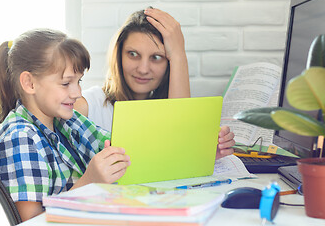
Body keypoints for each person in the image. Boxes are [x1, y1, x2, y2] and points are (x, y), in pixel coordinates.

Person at [0, 29, 131, 221]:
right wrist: (90, 182)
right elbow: (31, 221)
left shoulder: (67, 120)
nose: (77, 93)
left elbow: (116, 144)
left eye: (78, 81)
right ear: (29, 83)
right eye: (66, 84)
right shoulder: (20, 138)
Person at [74, 8, 235, 159]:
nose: (143, 69)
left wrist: (203, 154)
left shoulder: (170, 110)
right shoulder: (88, 106)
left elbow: (179, 155)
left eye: (156, 57)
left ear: (169, 64)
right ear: (119, 56)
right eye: (133, 54)